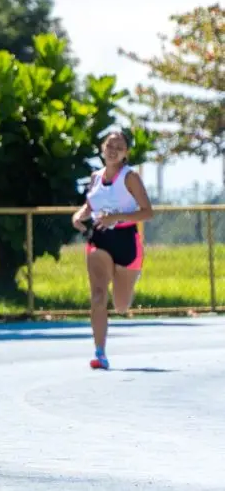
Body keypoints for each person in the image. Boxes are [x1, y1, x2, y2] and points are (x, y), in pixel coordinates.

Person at [70, 129, 154, 370]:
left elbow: (147, 212)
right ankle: (100, 352)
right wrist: (79, 215)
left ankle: (127, 281)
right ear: (102, 149)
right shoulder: (95, 177)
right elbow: (90, 205)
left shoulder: (130, 178)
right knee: (97, 294)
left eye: (119, 146)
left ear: (126, 153)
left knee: (121, 305)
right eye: (109, 145)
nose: (113, 149)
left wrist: (116, 217)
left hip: (126, 240)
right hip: (100, 239)